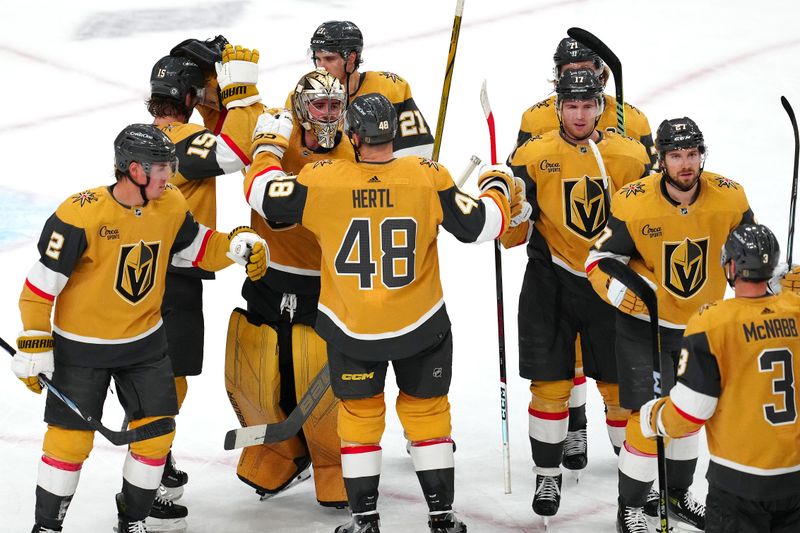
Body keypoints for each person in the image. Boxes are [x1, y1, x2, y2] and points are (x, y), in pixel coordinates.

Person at [243, 93, 528, 533]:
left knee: (359, 420)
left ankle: (365, 520)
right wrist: (496, 183)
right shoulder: (426, 176)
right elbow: (484, 226)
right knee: (428, 415)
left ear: (352, 136)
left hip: (352, 329)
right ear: (392, 132)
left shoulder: (322, 178)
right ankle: (441, 516)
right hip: (421, 326)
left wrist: (266, 145)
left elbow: (263, 195)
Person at [13, 124, 267, 533]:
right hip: (82, 350)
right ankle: (46, 527)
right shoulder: (79, 214)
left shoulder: (169, 203)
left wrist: (235, 245)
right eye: (162, 168)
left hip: (145, 346)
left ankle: (132, 520)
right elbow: (40, 286)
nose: (170, 175)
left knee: (154, 438)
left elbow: (197, 247)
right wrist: (36, 338)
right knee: (69, 443)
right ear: (133, 169)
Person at [585, 117, 755, 532]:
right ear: (660, 159)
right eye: (676, 156)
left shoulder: (730, 198)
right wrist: (620, 292)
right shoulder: (633, 201)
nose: (685, 164)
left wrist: (775, 280)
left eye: (692, 154)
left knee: (690, 415)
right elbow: (598, 260)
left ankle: (677, 496)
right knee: (647, 418)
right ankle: (631, 507)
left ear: (702, 155)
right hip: (646, 329)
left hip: (703, 329)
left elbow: (750, 257)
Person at [502, 68, 649, 520]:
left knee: (621, 391)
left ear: (601, 107)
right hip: (551, 282)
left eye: (588, 106)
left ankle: (635, 493)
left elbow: (648, 224)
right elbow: (509, 238)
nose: (580, 115)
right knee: (549, 386)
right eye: (571, 106)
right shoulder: (531, 156)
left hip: (609, 281)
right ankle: (548, 476)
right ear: (558, 107)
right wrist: (513, 211)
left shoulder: (630, 155)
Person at [224, 68, 354, 507]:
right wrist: (236, 99)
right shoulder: (277, 127)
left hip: (326, 283)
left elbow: (269, 193)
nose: (329, 115)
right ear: (302, 106)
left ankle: (331, 460)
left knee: (317, 369)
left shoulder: (352, 152)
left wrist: (265, 150)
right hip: (269, 275)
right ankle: (278, 447)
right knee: (256, 364)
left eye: (337, 106)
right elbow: (224, 150)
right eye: (321, 105)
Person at [146, 38, 266, 509]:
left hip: (154, 274)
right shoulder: (176, 141)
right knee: (166, 380)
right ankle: (149, 468)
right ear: (192, 98)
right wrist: (239, 90)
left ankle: (156, 456)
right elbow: (233, 149)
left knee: (161, 376)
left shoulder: (144, 135)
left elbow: (217, 140)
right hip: (171, 279)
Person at [641, 223, 800, 533]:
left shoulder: (712, 321)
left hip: (739, 485)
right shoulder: (795, 309)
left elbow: (692, 411)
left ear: (731, 266)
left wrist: (657, 418)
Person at [304, 20, 434, 158]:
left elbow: (417, 151)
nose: (321, 68)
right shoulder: (303, 96)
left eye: (329, 59)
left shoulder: (389, 88)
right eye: (317, 59)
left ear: (351, 58)